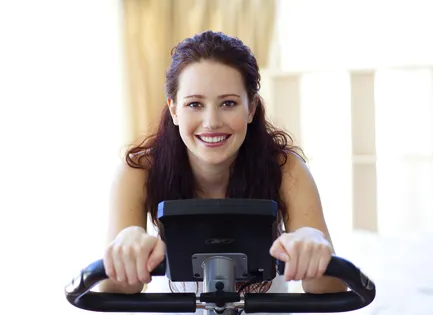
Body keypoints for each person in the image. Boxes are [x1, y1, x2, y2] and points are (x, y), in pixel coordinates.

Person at [99, 30, 347, 298]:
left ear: (251, 108)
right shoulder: (138, 171)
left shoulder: (286, 169)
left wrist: (315, 246)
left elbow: (330, 288)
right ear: (174, 110)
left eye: (228, 103)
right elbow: (114, 289)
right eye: (195, 104)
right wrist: (124, 253)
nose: (212, 122)